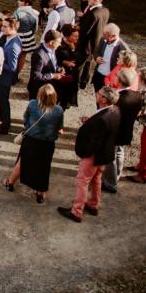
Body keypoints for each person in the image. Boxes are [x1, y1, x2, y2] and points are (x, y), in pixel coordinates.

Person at [58, 86, 121, 223]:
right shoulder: (115, 111)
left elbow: (95, 141)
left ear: (104, 99)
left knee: (82, 181)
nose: (97, 95)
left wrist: (84, 153)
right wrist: (89, 122)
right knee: (96, 179)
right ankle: (93, 204)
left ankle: (76, 211)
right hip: (105, 154)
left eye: (99, 94)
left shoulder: (101, 119)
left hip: (93, 155)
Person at [4, 84, 64, 204]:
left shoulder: (32, 104)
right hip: (47, 144)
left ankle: (10, 182)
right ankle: (40, 193)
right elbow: (60, 128)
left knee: (22, 162)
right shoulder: (58, 110)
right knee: (43, 168)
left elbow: (26, 119)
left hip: (31, 140)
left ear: (39, 95)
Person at [103, 67, 144, 194]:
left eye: (117, 76)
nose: (114, 76)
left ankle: (110, 183)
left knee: (110, 157)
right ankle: (117, 176)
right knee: (120, 152)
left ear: (119, 80)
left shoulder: (117, 98)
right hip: (127, 130)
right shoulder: (137, 95)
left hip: (115, 132)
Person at [0, 17, 23, 135]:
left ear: (13, 27)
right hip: (0, 77)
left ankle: (5, 126)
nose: (2, 28)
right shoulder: (7, 38)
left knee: (3, 102)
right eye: (2, 26)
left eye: (5, 26)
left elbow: (12, 67)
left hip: (5, 78)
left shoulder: (14, 45)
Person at [28, 30, 67, 102]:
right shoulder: (39, 54)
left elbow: (52, 64)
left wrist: (58, 69)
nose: (60, 44)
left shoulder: (53, 50)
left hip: (50, 88)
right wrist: (53, 76)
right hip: (39, 91)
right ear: (51, 42)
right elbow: (36, 76)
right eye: (58, 42)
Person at [94, 24, 130, 91]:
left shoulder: (123, 47)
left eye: (106, 35)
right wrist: (97, 58)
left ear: (113, 36)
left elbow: (127, 65)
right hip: (98, 74)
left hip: (110, 79)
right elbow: (96, 51)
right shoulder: (103, 39)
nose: (104, 36)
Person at [54, 25, 82, 109]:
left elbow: (80, 59)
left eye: (78, 36)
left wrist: (73, 50)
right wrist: (63, 62)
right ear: (67, 36)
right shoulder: (59, 44)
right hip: (61, 74)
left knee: (66, 97)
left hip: (72, 75)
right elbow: (54, 58)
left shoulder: (77, 44)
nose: (77, 38)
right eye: (75, 36)